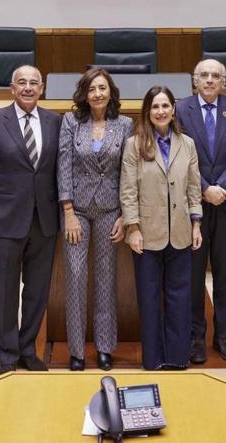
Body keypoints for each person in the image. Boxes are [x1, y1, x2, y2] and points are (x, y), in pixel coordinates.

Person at [0, 65, 61, 375]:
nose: (28, 87)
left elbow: (58, 171)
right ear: (12, 88)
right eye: (21, 83)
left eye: (34, 83)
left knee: (37, 290)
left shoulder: (55, 121)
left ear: (42, 89)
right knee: (6, 290)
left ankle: (28, 349)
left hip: (45, 219)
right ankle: (7, 355)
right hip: (6, 218)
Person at [119, 85, 203, 370]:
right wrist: (133, 228)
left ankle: (178, 358)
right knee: (149, 299)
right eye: (155, 107)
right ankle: (153, 359)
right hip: (147, 234)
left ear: (173, 109)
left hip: (180, 232)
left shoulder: (187, 144)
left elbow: (194, 187)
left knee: (180, 299)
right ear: (147, 111)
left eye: (165, 106)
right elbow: (128, 191)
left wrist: (196, 224)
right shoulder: (134, 144)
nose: (161, 111)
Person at [57, 68, 132, 371]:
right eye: (92, 89)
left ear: (111, 92)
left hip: (110, 210)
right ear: (84, 95)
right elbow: (63, 166)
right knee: (75, 279)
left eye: (103, 88)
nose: (98, 94)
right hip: (77, 211)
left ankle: (104, 347)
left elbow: (129, 171)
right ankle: (76, 351)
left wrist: (126, 215)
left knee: (105, 280)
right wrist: (68, 211)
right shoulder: (71, 122)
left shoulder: (125, 124)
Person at [175, 58, 226, 364]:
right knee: (192, 275)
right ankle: (195, 337)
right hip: (193, 202)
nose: (208, 80)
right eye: (203, 75)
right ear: (195, 80)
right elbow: (178, 154)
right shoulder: (181, 109)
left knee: (224, 272)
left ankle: (223, 336)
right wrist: (205, 188)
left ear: (223, 81)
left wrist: (222, 189)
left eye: (214, 76)